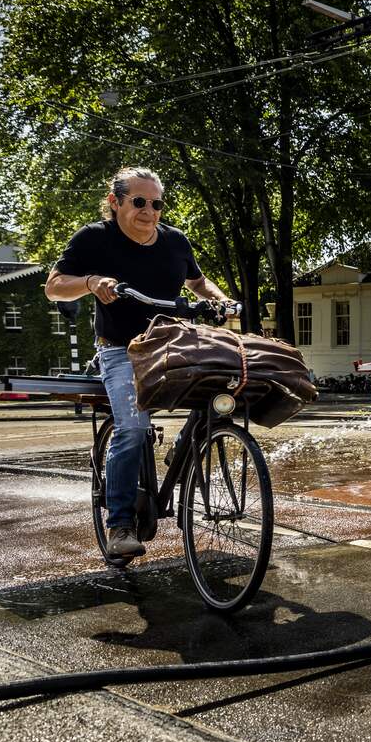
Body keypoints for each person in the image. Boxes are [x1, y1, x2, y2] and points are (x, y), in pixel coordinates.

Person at [45, 166, 233, 559]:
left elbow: (198, 283)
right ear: (115, 203)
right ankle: (120, 525)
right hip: (119, 349)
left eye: (157, 203)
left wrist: (218, 298)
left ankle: (185, 447)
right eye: (139, 202)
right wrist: (91, 282)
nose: (149, 211)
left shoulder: (175, 242)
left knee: (220, 393)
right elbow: (54, 286)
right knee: (131, 428)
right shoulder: (95, 239)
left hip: (172, 342)